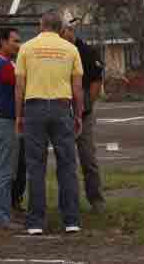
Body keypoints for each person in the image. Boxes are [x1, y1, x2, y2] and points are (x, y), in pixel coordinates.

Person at [15, 11, 84, 236]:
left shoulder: (26, 48)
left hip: (34, 108)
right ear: (61, 28)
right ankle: (71, 220)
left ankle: (36, 221)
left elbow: (19, 87)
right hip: (62, 107)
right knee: (67, 165)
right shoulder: (71, 49)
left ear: (40, 24)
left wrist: (18, 116)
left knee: (35, 166)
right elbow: (77, 88)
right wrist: (79, 115)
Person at [60, 21, 106, 213]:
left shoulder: (87, 52)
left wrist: (86, 106)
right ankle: (69, 202)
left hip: (83, 113)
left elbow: (96, 81)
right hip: (61, 112)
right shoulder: (59, 51)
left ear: (70, 31)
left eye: (63, 32)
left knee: (87, 158)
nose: (61, 37)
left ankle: (96, 199)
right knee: (65, 160)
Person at [0, 27, 23, 230]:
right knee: (4, 172)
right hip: (4, 123)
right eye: (15, 41)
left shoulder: (1, 63)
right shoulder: (3, 65)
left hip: (0, 121)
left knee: (5, 171)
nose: (18, 45)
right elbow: (22, 83)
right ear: (2, 42)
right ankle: (0, 218)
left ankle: (3, 214)